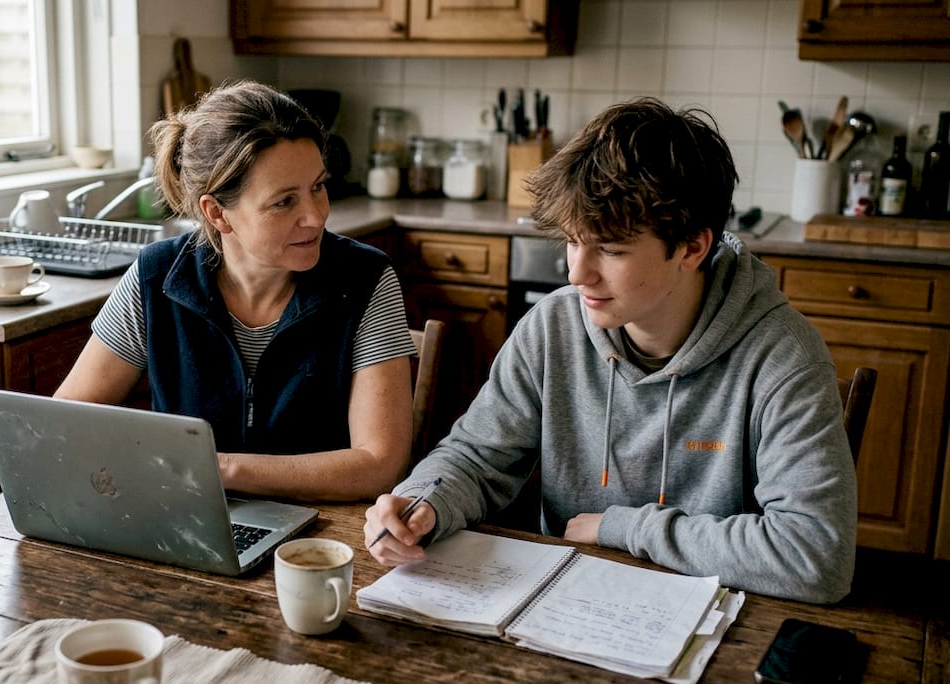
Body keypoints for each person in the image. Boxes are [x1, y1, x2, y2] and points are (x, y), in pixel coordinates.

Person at [363, 98, 857, 604]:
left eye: (612, 250)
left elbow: (815, 555)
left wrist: (627, 528)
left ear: (691, 248)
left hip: (716, 626)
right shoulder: (553, 326)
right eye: (574, 242)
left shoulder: (783, 356)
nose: (578, 274)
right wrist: (424, 501)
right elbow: (476, 457)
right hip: (562, 609)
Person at [55, 80, 415, 502]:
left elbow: (379, 464)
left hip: (322, 536)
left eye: (318, 186)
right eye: (284, 202)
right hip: (184, 520)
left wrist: (220, 467)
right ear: (217, 213)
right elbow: (66, 422)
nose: (316, 216)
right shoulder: (155, 278)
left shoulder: (367, 279)